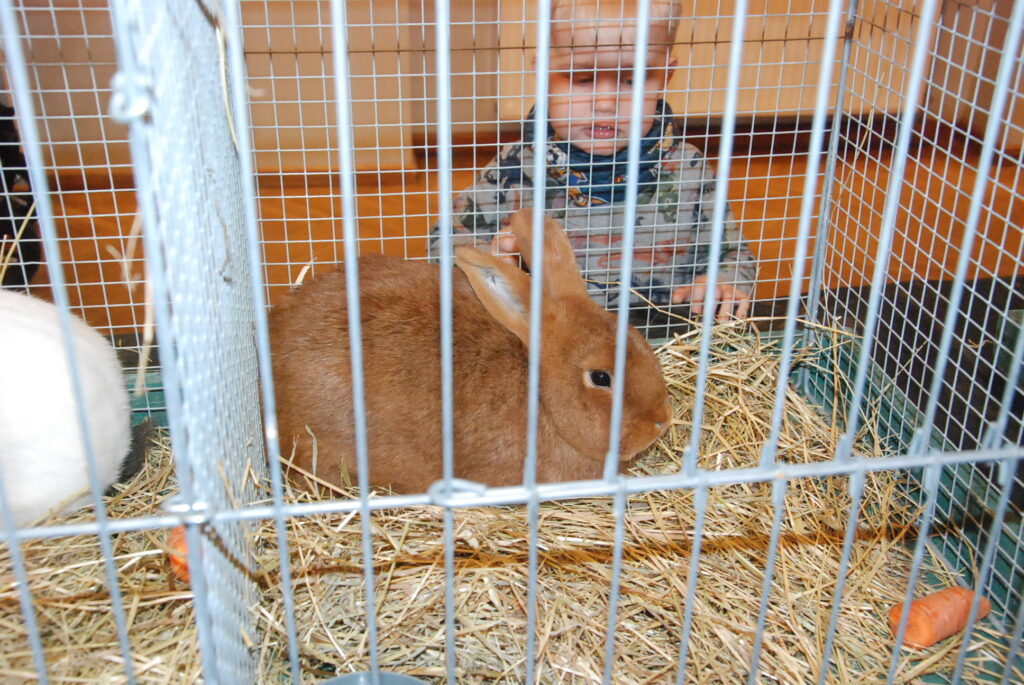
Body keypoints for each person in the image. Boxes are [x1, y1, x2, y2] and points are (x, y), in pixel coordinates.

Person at [428, 0, 756, 325]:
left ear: (665, 76)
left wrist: (722, 282)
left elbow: (733, 253)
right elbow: (442, 245)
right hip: (547, 343)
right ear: (543, 72)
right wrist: (492, 260)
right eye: (582, 78)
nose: (605, 103)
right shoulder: (514, 166)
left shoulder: (688, 167)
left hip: (658, 341)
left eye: (632, 80)